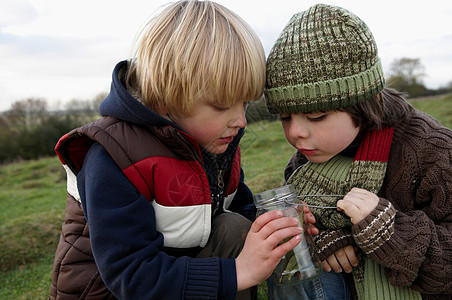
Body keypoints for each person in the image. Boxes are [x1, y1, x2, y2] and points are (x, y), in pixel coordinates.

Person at [48, 1, 309, 299]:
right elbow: (131, 277)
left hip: (172, 270)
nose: (240, 120)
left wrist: (278, 226)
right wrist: (239, 272)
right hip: (112, 291)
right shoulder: (113, 157)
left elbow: (239, 213)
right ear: (166, 99)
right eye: (222, 106)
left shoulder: (215, 141)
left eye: (245, 103)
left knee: (234, 226)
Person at [264, 3, 452, 300]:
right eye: (285, 117)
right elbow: (311, 227)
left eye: (316, 116)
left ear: (362, 104)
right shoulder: (303, 164)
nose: (295, 133)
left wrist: (389, 232)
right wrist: (326, 239)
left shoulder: (431, 153)